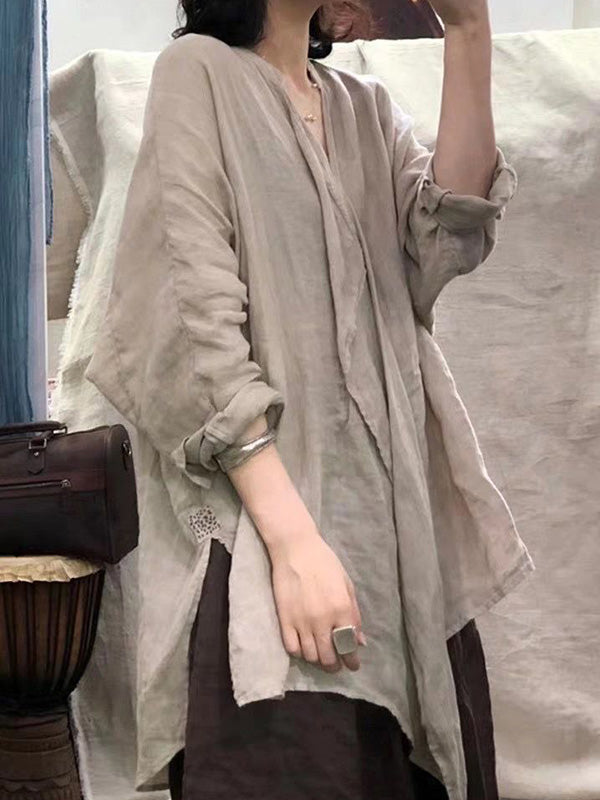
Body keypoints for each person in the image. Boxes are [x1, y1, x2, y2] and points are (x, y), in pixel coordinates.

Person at [84, 1, 535, 798]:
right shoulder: (198, 75)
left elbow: (449, 238)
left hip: (399, 559)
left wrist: (469, 31)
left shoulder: (363, 109)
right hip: (274, 552)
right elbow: (191, 327)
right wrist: (295, 546)